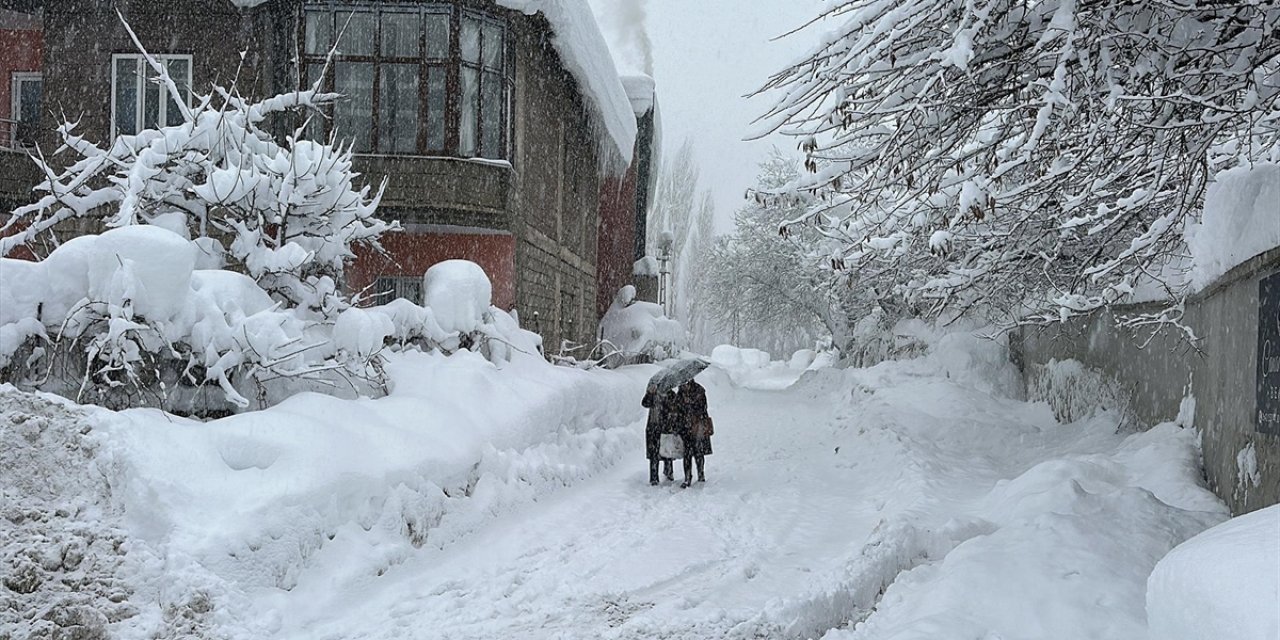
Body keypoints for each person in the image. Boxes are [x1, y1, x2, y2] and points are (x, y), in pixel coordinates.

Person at [642, 387, 681, 485]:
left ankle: (668, 472)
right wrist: (650, 394)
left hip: (666, 428)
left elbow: (676, 409)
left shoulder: (671, 395)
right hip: (653, 427)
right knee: (653, 454)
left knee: (667, 452)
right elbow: (645, 403)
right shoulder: (653, 394)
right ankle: (654, 477)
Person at [679, 380, 713, 487]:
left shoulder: (699, 390)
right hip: (685, 427)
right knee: (687, 454)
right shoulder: (680, 392)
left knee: (699, 452)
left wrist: (691, 403)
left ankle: (700, 474)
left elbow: (703, 408)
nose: (685, 385)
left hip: (697, 425)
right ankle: (687, 477)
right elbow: (678, 408)